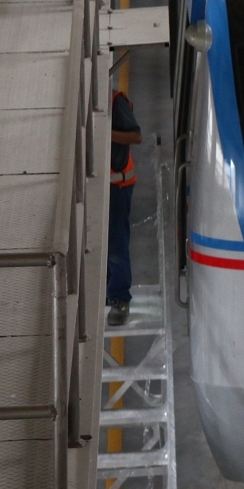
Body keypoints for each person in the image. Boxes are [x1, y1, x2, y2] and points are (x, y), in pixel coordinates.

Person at [107, 85, 142, 327]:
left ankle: (120, 299)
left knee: (116, 243)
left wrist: (103, 133)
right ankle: (109, 291)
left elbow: (135, 136)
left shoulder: (115, 100)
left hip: (118, 185)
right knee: (103, 243)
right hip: (100, 185)